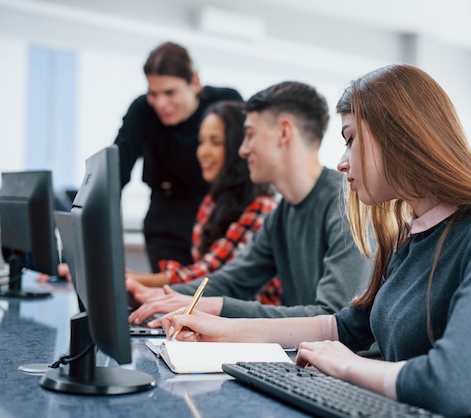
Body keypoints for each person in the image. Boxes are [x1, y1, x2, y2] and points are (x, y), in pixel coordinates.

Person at [156, 65, 471, 417]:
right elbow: (342, 327)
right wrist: (225, 330)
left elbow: (451, 384)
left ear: (400, 136)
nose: (341, 162)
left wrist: (346, 365)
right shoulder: (414, 235)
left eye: (351, 139)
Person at [127, 81, 373, 324]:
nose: (242, 150)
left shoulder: (347, 202)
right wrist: (159, 295)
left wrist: (219, 307)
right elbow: (233, 280)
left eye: (250, 135)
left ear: (284, 133)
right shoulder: (281, 215)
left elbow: (334, 317)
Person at [125, 101, 280, 305]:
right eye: (201, 142)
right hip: (216, 311)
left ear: (238, 148)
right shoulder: (211, 202)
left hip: (252, 320)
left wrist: (131, 280)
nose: (203, 152)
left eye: (215, 142)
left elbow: (212, 274)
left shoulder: (262, 207)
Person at [115, 41, 244, 272]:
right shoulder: (142, 110)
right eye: (153, 93)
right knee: (171, 294)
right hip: (166, 218)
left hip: (217, 215)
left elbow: (245, 165)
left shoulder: (225, 103)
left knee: (210, 292)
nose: (160, 103)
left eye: (170, 92)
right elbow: (114, 175)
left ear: (194, 82)